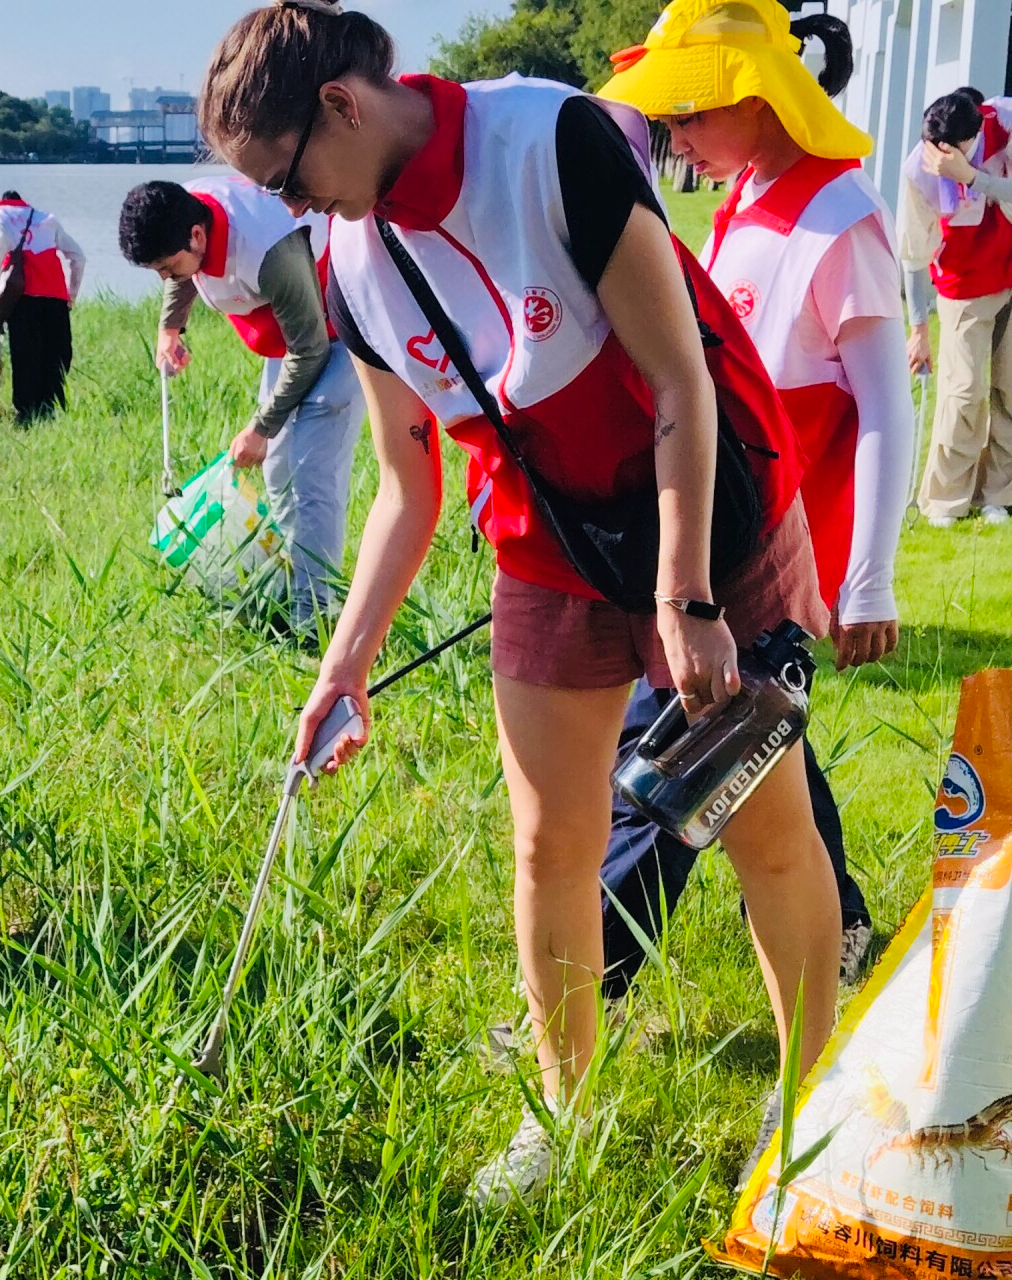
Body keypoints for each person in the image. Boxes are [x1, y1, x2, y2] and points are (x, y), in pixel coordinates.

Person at [198, 0, 840, 1205]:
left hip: (703, 499)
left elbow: (678, 382)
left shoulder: (550, 143)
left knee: (762, 824)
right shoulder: (350, 262)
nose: (295, 211)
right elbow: (406, 484)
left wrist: (687, 597)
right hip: (547, 539)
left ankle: (809, 1094)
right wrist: (342, 665)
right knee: (550, 839)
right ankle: (562, 1110)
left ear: (341, 105)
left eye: (289, 180)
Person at [595, 0, 915, 1011]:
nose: (675, 140)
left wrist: (866, 579)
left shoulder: (840, 218)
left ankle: (572, 995)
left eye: (686, 116)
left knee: (670, 771)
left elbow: (886, 412)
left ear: (753, 99)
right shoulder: (743, 199)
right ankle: (850, 924)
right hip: (718, 532)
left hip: (772, 559)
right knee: (766, 742)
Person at [119, 177, 366, 631]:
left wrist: (261, 428)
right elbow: (184, 272)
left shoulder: (268, 248)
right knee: (277, 474)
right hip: (287, 345)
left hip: (337, 338)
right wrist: (170, 327)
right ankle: (292, 591)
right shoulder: (186, 216)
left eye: (168, 266)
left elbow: (310, 348)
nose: (167, 279)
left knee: (313, 480)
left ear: (197, 235)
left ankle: (315, 621)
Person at [899, 87, 1012, 527]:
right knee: (964, 391)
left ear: (976, 132)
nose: (939, 156)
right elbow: (912, 248)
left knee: (1009, 387)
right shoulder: (919, 167)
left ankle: (997, 493)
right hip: (965, 284)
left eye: (950, 149)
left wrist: (971, 177)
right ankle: (945, 499)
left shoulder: (1003, 125)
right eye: (934, 147)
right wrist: (918, 329)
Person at [0, 190, 86, 423]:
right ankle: (53, 407)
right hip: (55, 295)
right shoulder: (47, 218)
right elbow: (78, 257)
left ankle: (26, 412)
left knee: (25, 355)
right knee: (57, 353)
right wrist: (71, 293)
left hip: (21, 297)